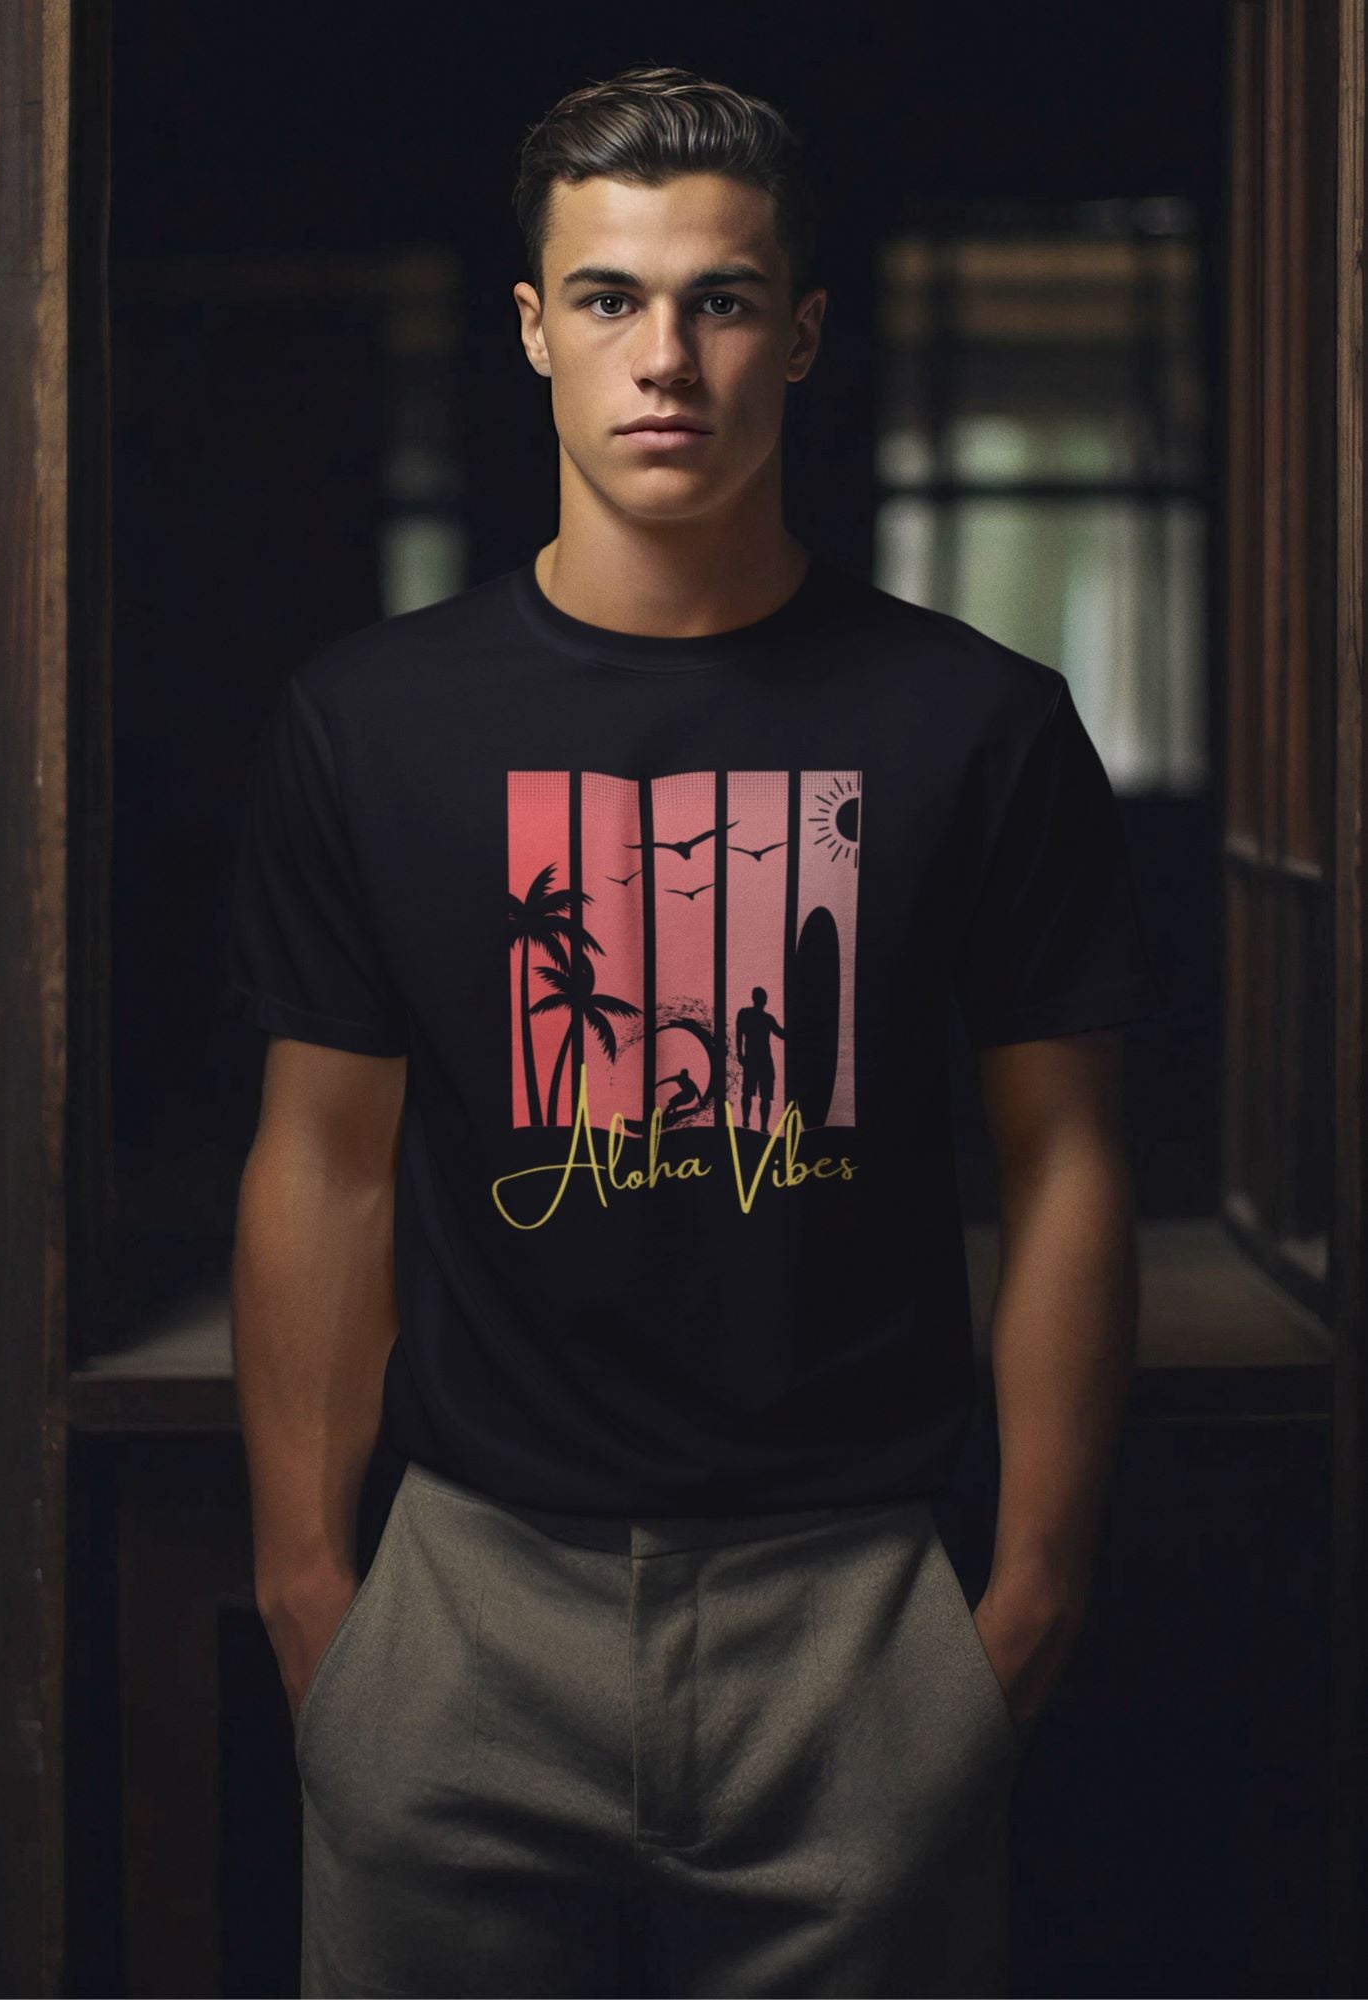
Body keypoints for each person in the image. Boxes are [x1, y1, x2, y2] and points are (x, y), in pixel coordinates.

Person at [224, 61, 1169, 2000]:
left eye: (720, 299)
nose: (665, 357)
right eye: (607, 298)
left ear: (798, 331)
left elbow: (1063, 1151)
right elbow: (321, 1158)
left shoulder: (971, 724)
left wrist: (1027, 1591)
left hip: (850, 1619)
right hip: (470, 1607)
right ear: (531, 329)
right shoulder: (370, 722)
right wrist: (314, 1590)